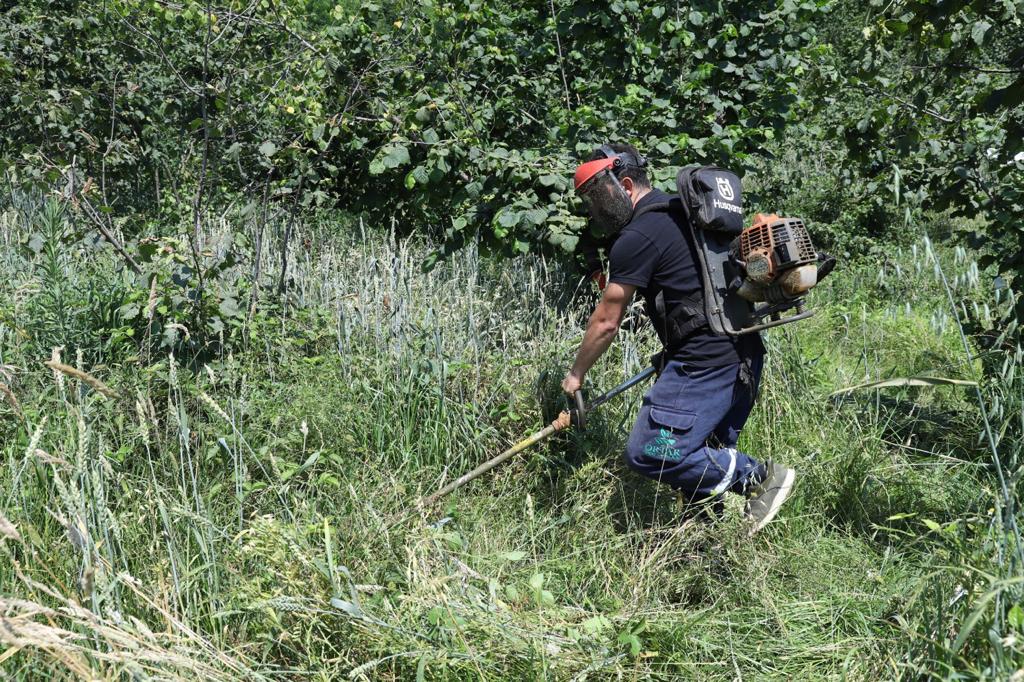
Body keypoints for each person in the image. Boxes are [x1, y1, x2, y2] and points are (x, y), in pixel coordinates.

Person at [561, 143, 795, 533]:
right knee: (702, 462)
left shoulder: (636, 236)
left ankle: (761, 478)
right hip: (742, 352)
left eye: (597, 198)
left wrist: (576, 375)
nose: (595, 211)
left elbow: (606, 321)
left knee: (652, 452)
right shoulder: (684, 214)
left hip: (705, 363)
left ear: (627, 183)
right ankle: (702, 553)